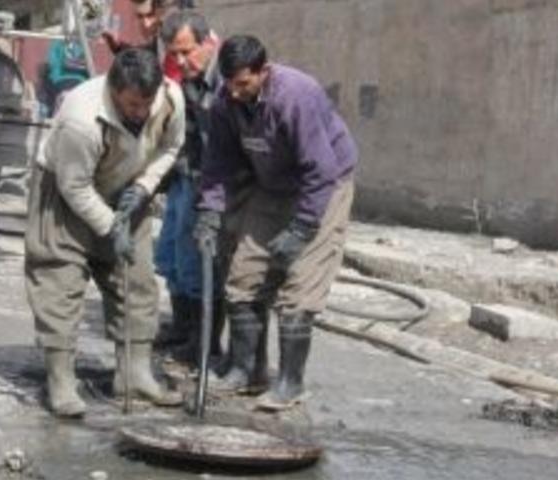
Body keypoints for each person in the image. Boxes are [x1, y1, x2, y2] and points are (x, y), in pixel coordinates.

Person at [193, 35, 358, 411]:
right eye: (230, 83)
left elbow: (321, 170)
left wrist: (300, 230)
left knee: (299, 285)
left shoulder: (296, 96)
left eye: (244, 84)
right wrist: (209, 212)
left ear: (263, 72)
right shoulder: (225, 101)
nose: (235, 93)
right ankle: (247, 370)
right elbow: (218, 163)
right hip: (272, 185)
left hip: (324, 186)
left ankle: (290, 383)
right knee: (244, 274)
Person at [25, 48, 186, 417]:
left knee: (138, 277)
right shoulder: (81, 118)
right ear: (114, 91)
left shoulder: (172, 98)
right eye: (132, 105)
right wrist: (110, 227)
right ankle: (61, 381)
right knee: (59, 280)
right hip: (66, 193)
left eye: (147, 103)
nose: (141, 113)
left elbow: (170, 147)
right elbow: (75, 186)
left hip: (127, 188)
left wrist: (144, 186)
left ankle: (134, 374)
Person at [153, 10, 223, 367]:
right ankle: (183, 328)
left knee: (197, 260)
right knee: (169, 255)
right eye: (174, 54)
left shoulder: (229, 78)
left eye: (186, 52)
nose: (180, 61)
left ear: (208, 42)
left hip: (215, 183)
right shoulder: (187, 77)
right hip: (188, 174)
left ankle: (204, 341)